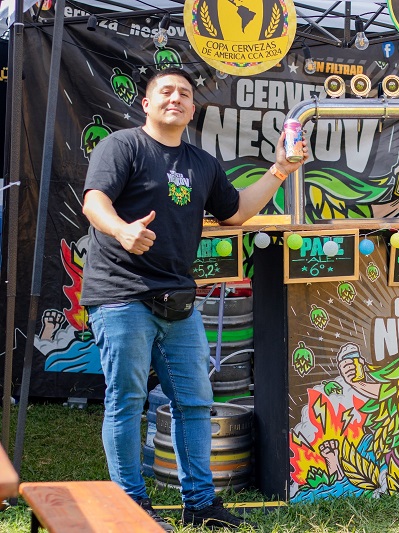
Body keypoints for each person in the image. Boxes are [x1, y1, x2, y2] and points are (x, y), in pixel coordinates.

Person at [81, 67, 307, 530]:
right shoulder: (122, 146)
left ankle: (200, 506)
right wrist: (122, 230)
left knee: (196, 403)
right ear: (146, 104)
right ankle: (132, 508)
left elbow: (236, 212)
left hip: (178, 302)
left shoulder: (202, 163)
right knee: (126, 401)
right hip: (121, 295)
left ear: (192, 109)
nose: (176, 98)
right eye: (166, 91)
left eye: (184, 94)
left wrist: (280, 170)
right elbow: (94, 201)